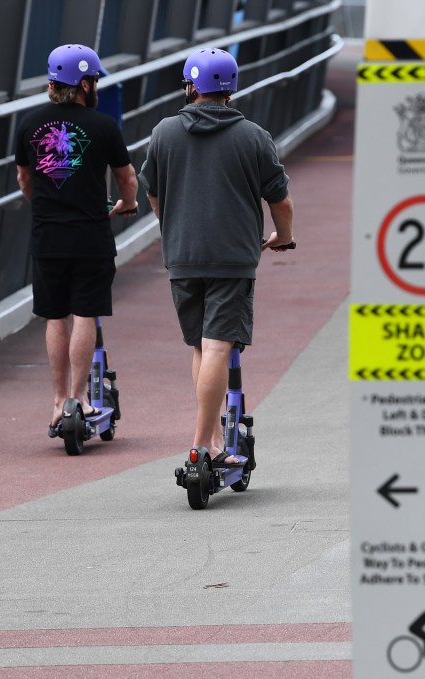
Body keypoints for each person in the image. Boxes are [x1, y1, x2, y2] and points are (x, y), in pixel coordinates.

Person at [139, 47, 294, 464]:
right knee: (217, 347)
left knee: (200, 347)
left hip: (183, 256)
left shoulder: (164, 133)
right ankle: (202, 444)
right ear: (231, 88)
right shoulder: (253, 136)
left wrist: (172, 222)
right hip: (233, 258)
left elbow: (152, 191)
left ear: (191, 87)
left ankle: (212, 439)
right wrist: (283, 236)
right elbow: (280, 200)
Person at [15, 44, 138, 436]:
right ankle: (80, 397)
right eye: (94, 80)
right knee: (85, 312)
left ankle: (57, 400)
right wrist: (127, 204)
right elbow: (127, 178)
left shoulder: (29, 124)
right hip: (90, 236)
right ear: (85, 84)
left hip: (47, 236)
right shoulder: (104, 126)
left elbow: (24, 179)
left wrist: (45, 205)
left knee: (56, 316)